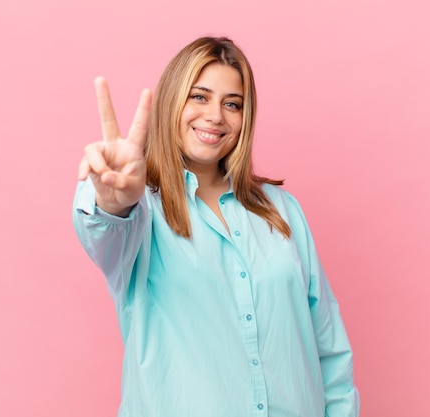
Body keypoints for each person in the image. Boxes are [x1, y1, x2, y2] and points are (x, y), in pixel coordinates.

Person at [73, 36, 359, 417]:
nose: (215, 116)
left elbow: (329, 346)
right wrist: (115, 199)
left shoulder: (282, 210)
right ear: (173, 100)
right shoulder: (141, 211)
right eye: (199, 97)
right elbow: (105, 226)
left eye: (232, 104)